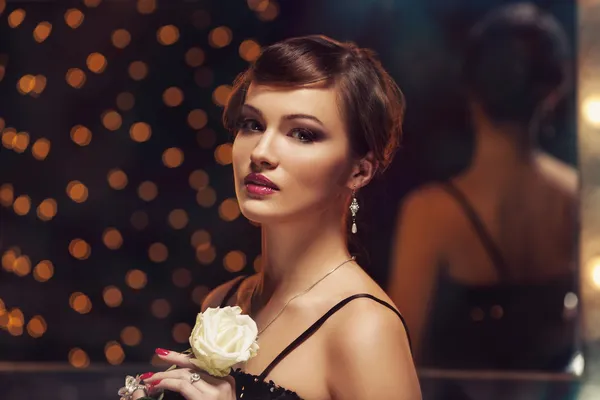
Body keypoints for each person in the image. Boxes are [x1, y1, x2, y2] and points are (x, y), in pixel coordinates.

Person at [127, 35, 420, 400]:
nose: (262, 152)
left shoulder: (363, 328)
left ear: (359, 171)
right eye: (252, 125)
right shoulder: (225, 302)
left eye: (302, 134)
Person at [388, 3, 578, 372]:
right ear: (553, 92)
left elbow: (397, 365)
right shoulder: (580, 201)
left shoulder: (430, 215)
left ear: (470, 89)